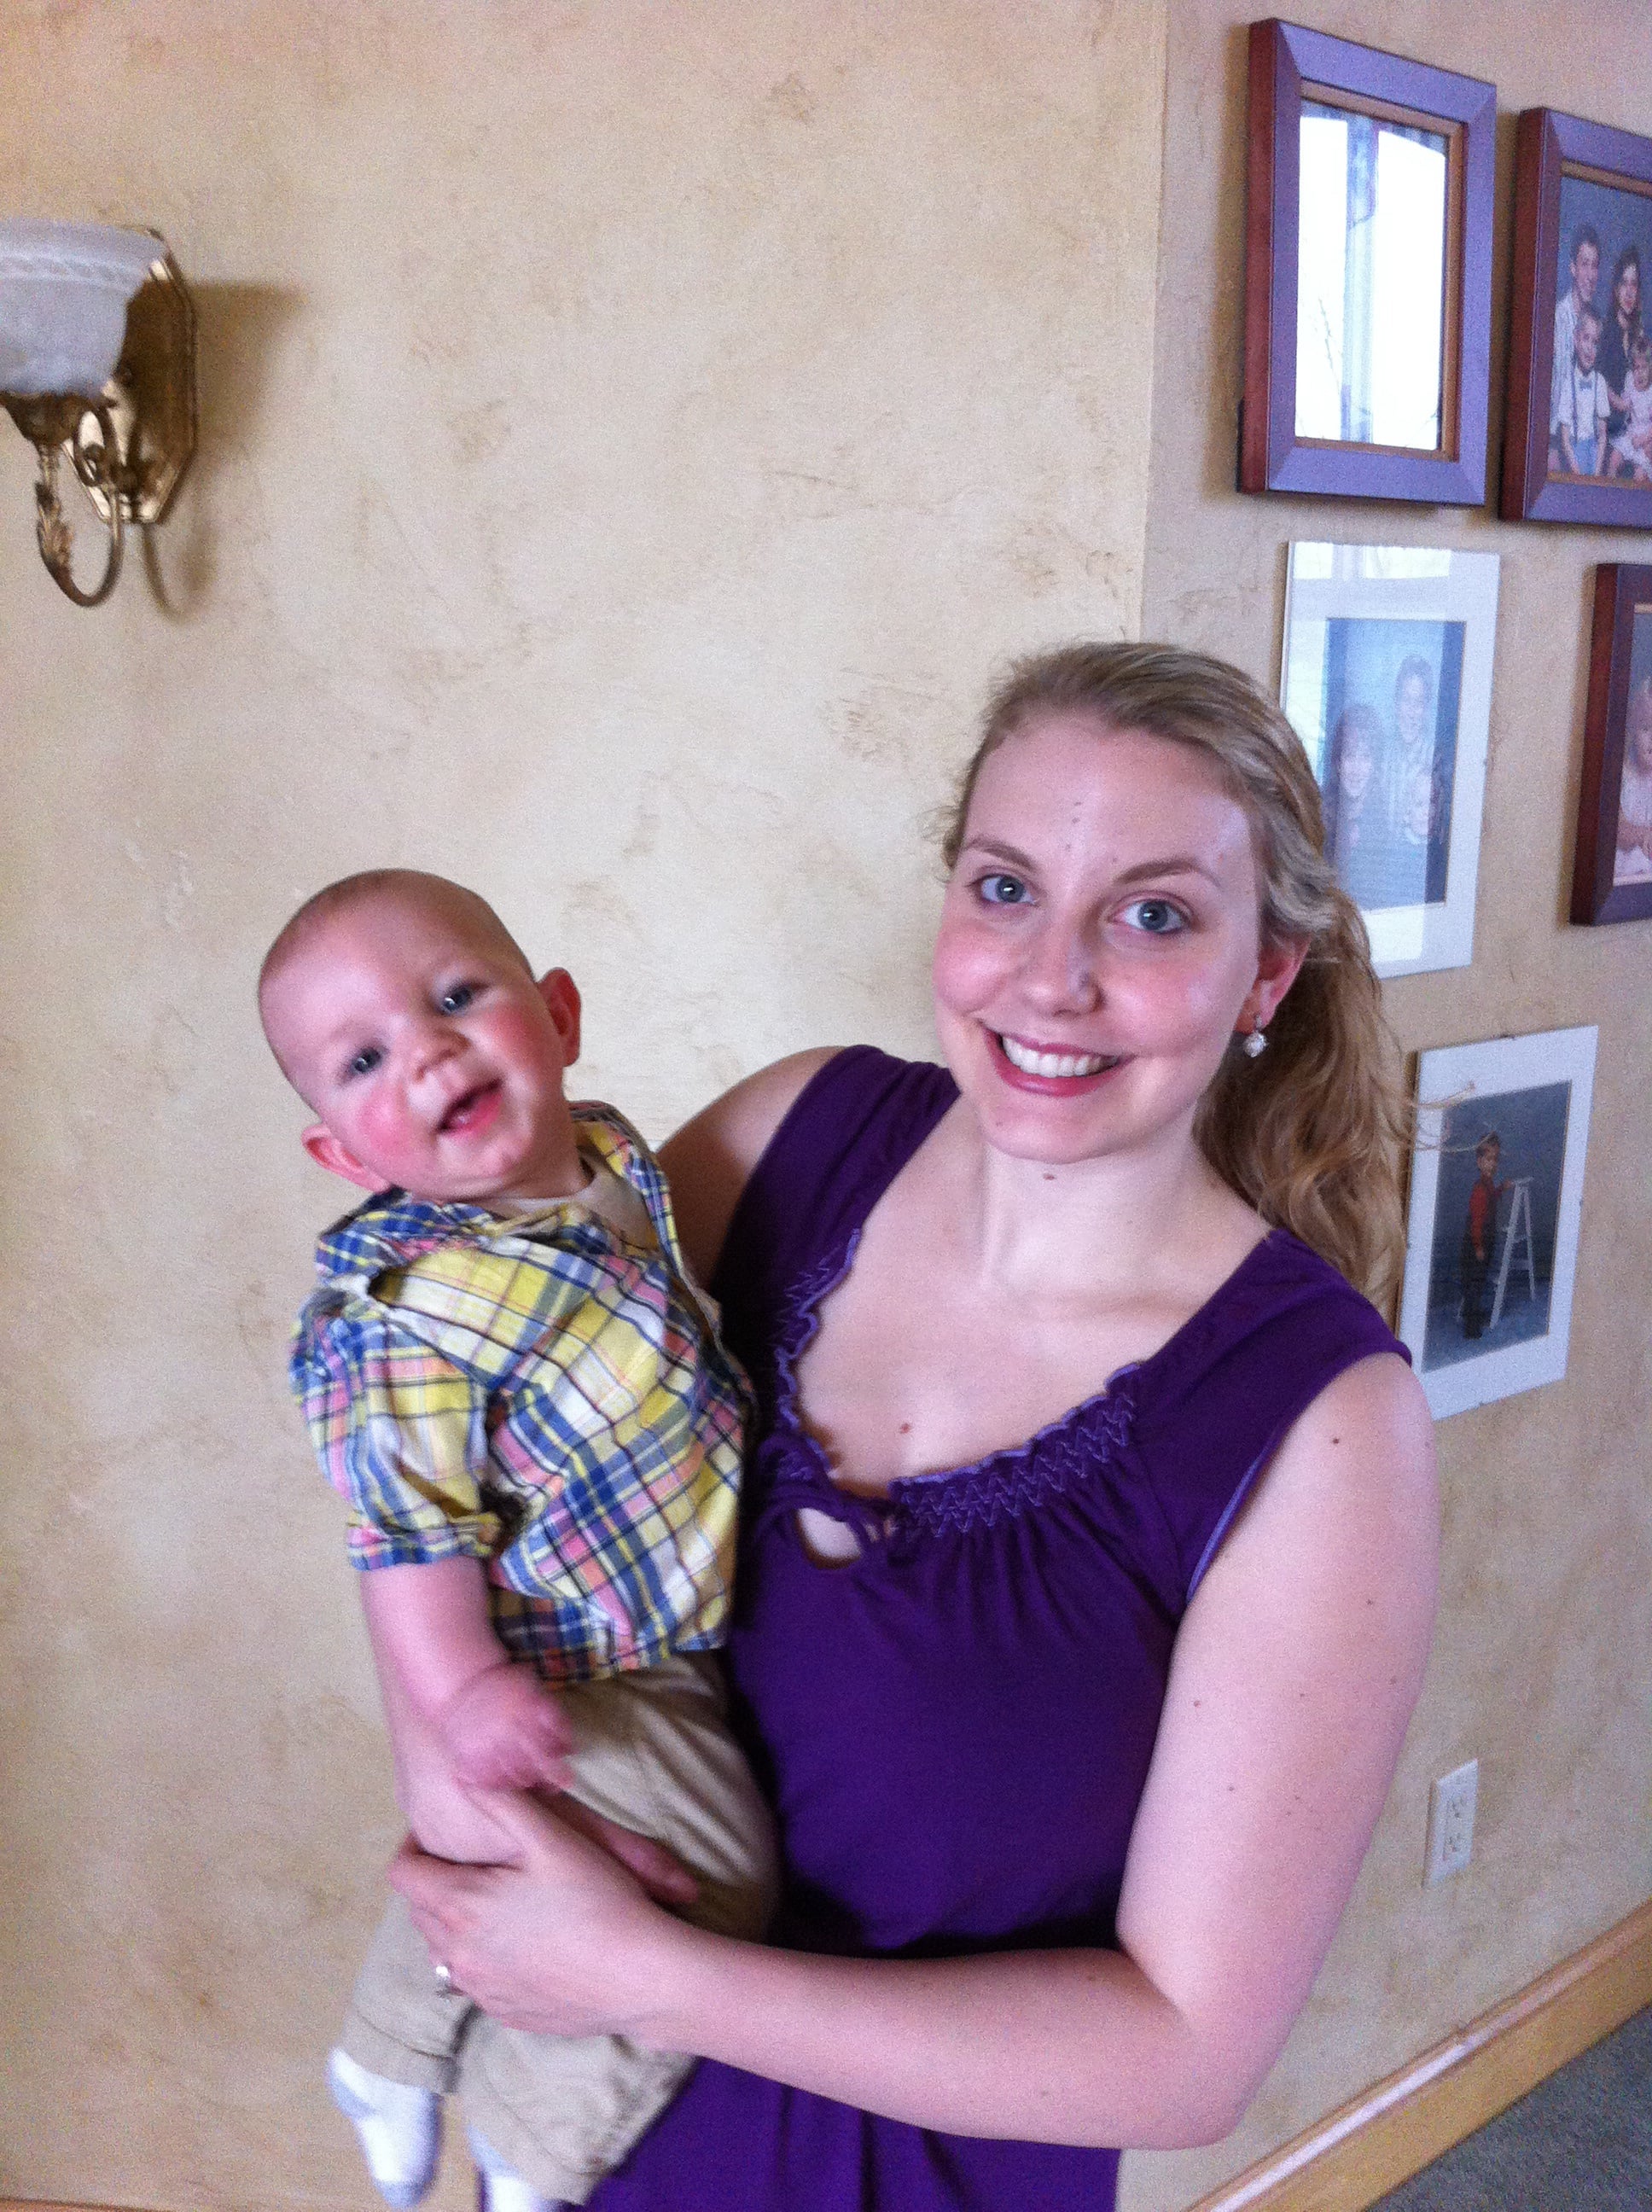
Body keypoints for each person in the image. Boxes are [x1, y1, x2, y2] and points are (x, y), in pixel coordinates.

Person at [390, 645, 1440, 2212]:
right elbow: (445, 1448)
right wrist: (447, 1766)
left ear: (1266, 979)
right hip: (563, 2141)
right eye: (1006, 888)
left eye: (1154, 915)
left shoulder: (1324, 1427)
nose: (1051, 979)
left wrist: (647, 1977)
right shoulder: (780, 1142)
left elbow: (1186, 2056)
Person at [259, 871, 777, 2212]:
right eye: (364, 1060)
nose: (428, 1052)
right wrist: (464, 1693)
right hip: (569, 1664)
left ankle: (387, 2052)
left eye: (455, 997)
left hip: (649, 1622)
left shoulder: (612, 1163)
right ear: (343, 1154)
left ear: (558, 1015)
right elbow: (404, 1538)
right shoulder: (407, 1315)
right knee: (710, 1870)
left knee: (546, 1857)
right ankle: (530, 2149)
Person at [1320, 700, 1390, 910]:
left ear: (1375, 765)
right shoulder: (1318, 814)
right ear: (1337, 762)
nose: (1356, 769)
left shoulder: (1383, 818)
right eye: (1349, 756)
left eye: (1365, 757)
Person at [1550, 222, 1601, 464]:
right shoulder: (1557, 320)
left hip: (1586, 445)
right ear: (1572, 268)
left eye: (1595, 265)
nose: (1591, 276)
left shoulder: (1598, 325)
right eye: (1584, 264)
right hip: (1555, 442)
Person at [1458, 1132, 1508, 1342]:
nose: (1492, 1164)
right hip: (1475, 1243)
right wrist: (1478, 1246)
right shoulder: (1479, 1189)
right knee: (1474, 1284)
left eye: (1495, 1159)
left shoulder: (1488, 1185)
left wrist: (1502, 1189)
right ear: (1479, 1162)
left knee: (1478, 1282)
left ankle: (1474, 1314)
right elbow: (1477, 1222)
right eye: (1488, 1159)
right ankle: (1471, 1327)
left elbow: (1492, 1199)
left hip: (1485, 1241)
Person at [1553, 306, 1609, 478]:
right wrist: (1577, 474)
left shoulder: (1600, 382)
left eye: (1595, 342)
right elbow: (1565, 439)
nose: (1590, 348)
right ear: (1576, 339)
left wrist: (1597, 474)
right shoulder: (1568, 383)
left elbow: (1602, 435)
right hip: (1574, 454)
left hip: (1595, 454)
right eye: (1586, 338)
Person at [1599, 244, 1643, 451]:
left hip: (1632, 429)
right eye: (1624, 283)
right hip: (1606, 428)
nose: (1628, 292)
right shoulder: (1606, 330)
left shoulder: (1639, 335)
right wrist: (1619, 403)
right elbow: (1597, 379)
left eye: (1633, 284)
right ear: (1616, 289)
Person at [1615, 676, 1652, 884]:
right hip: (1623, 876)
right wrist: (1643, 835)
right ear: (1633, 731)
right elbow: (1617, 827)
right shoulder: (1624, 776)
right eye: (1646, 728)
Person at [1608, 330, 1652, 485]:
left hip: (1647, 437)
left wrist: (1644, 439)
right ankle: (1609, 491)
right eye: (1636, 368)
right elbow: (1624, 405)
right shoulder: (1630, 379)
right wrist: (1609, 393)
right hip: (1632, 432)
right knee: (1614, 459)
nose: (1639, 373)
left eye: (1644, 368)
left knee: (1639, 476)